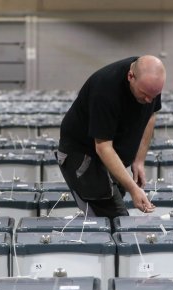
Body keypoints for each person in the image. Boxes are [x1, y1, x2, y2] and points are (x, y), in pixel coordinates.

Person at [56, 55, 166, 219]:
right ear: (131, 77)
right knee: (115, 220)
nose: (149, 100)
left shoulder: (150, 84)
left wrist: (139, 160)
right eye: (145, 94)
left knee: (110, 215)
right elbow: (103, 146)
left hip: (113, 154)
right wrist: (134, 189)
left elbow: (151, 116)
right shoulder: (105, 88)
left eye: (154, 95)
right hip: (83, 156)